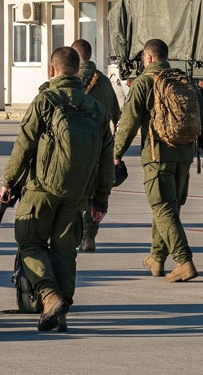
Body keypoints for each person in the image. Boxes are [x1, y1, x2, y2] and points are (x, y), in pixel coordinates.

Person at [1, 46, 113, 331]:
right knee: (65, 252)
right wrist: (101, 199)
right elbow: (105, 161)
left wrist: (8, 182)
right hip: (77, 195)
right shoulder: (96, 109)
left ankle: (50, 297)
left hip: (41, 190)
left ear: (52, 70)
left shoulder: (45, 101)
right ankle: (61, 315)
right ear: (78, 71)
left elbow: (24, 145)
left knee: (30, 243)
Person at [113, 38, 203, 282]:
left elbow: (129, 122)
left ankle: (183, 261)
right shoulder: (185, 81)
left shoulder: (144, 82)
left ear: (149, 58)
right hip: (184, 156)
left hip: (157, 156)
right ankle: (157, 258)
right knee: (168, 209)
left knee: (163, 208)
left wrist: (116, 153)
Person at [72, 39, 120, 253]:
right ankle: (89, 236)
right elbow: (117, 115)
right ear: (90, 55)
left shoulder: (71, 81)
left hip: (75, 146)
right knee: (97, 192)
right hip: (101, 145)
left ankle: (74, 235)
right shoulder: (104, 81)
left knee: (75, 192)